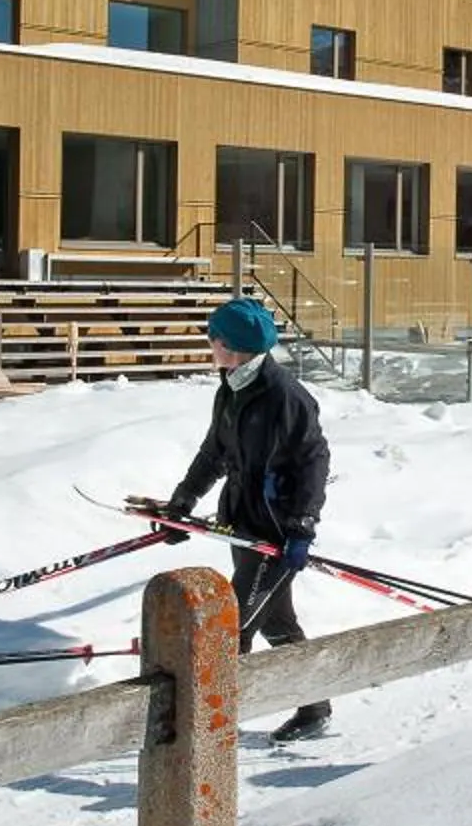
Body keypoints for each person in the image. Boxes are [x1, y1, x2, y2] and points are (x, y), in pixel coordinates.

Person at [136, 297, 335, 744]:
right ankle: (315, 706)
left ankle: (205, 731)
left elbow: (314, 460)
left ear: (233, 345)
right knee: (275, 622)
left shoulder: (285, 396)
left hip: (277, 533)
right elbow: (215, 453)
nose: (210, 345)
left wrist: (302, 525)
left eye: (215, 338)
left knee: (232, 628)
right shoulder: (230, 388)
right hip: (244, 526)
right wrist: (181, 504)